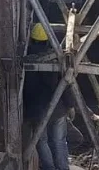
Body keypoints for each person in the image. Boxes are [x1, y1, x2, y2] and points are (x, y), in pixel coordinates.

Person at [24, 22, 74, 170]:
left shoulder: (25, 59)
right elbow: (64, 83)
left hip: (37, 111)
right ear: (48, 40)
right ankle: (63, 168)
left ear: (31, 39)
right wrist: (70, 105)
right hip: (57, 109)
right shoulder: (55, 58)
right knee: (59, 141)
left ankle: (49, 168)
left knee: (42, 141)